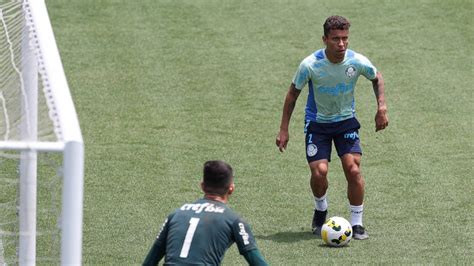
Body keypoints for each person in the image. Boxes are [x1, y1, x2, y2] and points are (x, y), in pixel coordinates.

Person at [276, 15, 388, 240]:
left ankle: (356, 223)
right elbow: (292, 95)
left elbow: (376, 77)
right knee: (319, 172)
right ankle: (320, 209)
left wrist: (381, 107)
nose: (342, 44)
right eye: (336, 39)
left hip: (346, 121)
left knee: (353, 169)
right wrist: (284, 129)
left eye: (345, 38)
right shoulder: (310, 65)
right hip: (318, 125)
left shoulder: (356, 61)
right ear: (325, 39)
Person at [143, 160, 268, 265]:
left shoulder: (176, 214)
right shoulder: (234, 220)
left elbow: (150, 261)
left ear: (202, 186)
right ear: (231, 189)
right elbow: (256, 260)